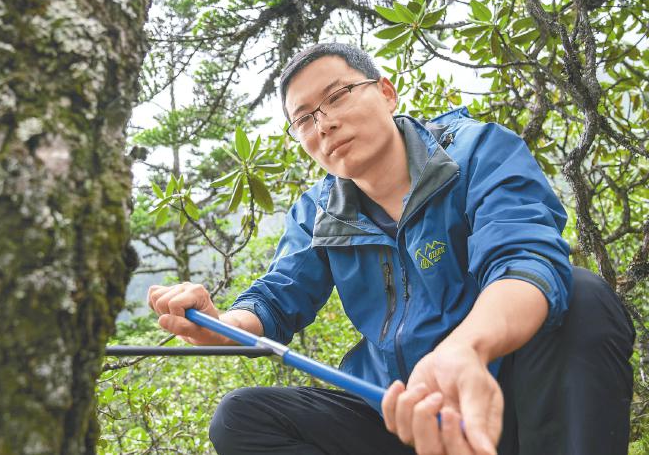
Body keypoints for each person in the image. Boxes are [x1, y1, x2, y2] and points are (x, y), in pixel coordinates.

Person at [147, 43, 635, 455]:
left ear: (386, 92)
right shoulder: (318, 210)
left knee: (582, 296)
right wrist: (222, 325)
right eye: (305, 119)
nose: (324, 124)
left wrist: (467, 348)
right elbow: (277, 298)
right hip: (395, 411)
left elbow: (525, 260)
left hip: (501, 392)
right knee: (241, 418)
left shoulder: (476, 152)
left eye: (336, 96)